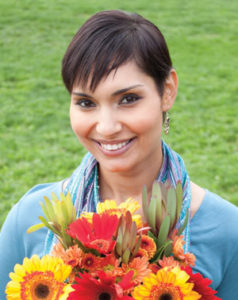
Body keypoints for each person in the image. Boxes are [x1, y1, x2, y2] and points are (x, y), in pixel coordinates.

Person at [0, 10, 238, 299]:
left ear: (167, 91)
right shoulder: (28, 219)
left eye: (128, 99)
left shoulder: (227, 233)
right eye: (86, 102)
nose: (107, 127)